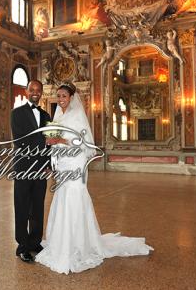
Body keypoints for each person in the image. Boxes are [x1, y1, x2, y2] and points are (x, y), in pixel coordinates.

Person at [35, 83, 154, 274]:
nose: (60, 99)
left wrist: (61, 140)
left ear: (71, 98)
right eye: (58, 96)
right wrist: (51, 141)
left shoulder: (77, 116)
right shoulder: (57, 116)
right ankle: (61, 240)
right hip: (64, 162)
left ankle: (79, 244)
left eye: (64, 96)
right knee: (62, 196)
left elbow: (85, 143)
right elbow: (53, 139)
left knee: (74, 195)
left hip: (75, 161)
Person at [10, 79, 52, 263]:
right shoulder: (16, 113)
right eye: (32, 89)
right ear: (26, 91)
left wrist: (48, 163)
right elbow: (20, 140)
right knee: (22, 206)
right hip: (23, 167)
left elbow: (50, 143)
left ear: (42, 92)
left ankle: (35, 242)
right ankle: (22, 246)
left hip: (41, 169)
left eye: (38, 90)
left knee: (37, 206)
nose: (35, 92)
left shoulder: (46, 115)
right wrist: (44, 142)